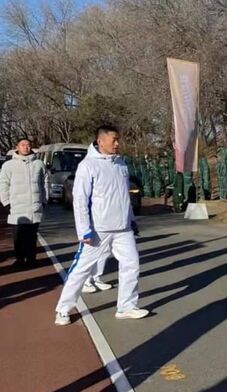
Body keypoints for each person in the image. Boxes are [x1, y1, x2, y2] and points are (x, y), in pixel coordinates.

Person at [54, 125, 148, 326]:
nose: (117, 143)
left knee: (131, 265)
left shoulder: (121, 164)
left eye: (118, 139)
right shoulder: (88, 166)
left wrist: (131, 220)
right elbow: (80, 200)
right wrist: (84, 230)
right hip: (98, 230)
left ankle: (126, 306)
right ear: (100, 141)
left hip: (123, 229)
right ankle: (63, 309)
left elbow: (124, 197)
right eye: (114, 140)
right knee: (82, 269)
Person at [0, 138, 47, 267]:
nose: (26, 147)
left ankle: (32, 259)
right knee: (18, 236)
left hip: (34, 206)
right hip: (16, 207)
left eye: (28, 145)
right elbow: (3, 185)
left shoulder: (39, 164)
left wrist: (44, 200)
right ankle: (20, 259)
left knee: (32, 235)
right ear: (17, 147)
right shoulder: (8, 165)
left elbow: (45, 183)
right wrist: (6, 203)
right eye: (23, 145)